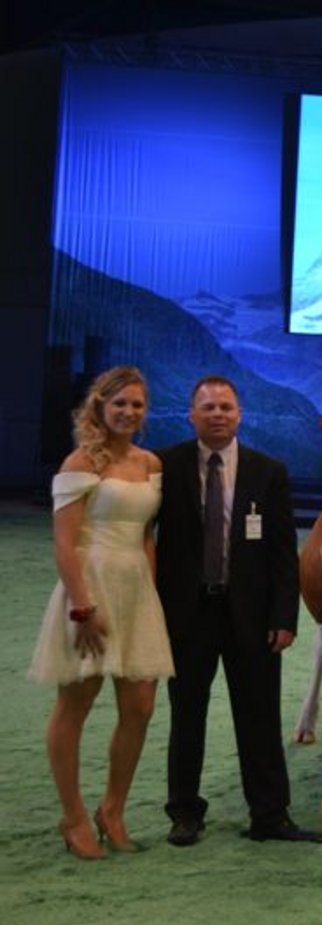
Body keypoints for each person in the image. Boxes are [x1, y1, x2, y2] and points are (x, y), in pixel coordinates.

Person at [156, 375, 322, 846]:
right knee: (187, 715)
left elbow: (282, 554)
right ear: (191, 415)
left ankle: (270, 815)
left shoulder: (268, 471)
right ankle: (184, 813)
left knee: (260, 717)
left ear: (239, 414)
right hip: (186, 616)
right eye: (207, 407)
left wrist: (285, 618)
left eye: (226, 407)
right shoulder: (166, 466)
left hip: (253, 617)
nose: (217, 414)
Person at [30, 366, 172, 859]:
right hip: (89, 591)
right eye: (119, 404)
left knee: (140, 708)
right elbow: (65, 544)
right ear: (99, 407)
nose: (128, 412)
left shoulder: (151, 463)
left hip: (136, 590)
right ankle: (72, 817)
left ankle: (113, 809)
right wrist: (82, 607)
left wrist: (149, 597)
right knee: (76, 705)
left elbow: (148, 535)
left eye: (136, 405)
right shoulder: (80, 461)